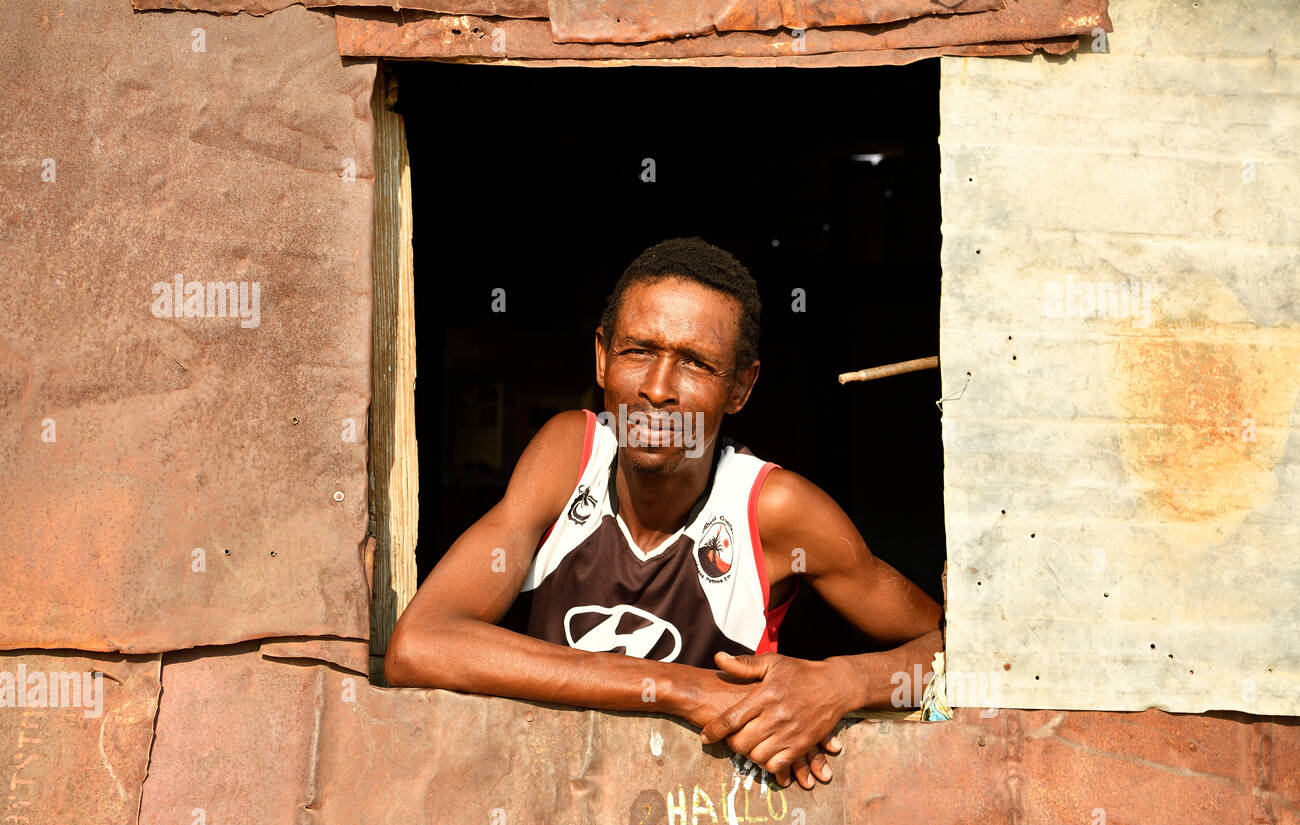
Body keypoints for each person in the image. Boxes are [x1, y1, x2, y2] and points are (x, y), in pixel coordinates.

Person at [385, 237, 943, 791]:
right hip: (547, 808)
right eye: (639, 351)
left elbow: (951, 644)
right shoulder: (568, 456)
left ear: (742, 387)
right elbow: (420, 644)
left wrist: (840, 683)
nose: (657, 389)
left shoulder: (775, 510)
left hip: (702, 821)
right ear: (602, 357)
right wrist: (686, 689)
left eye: (695, 363)